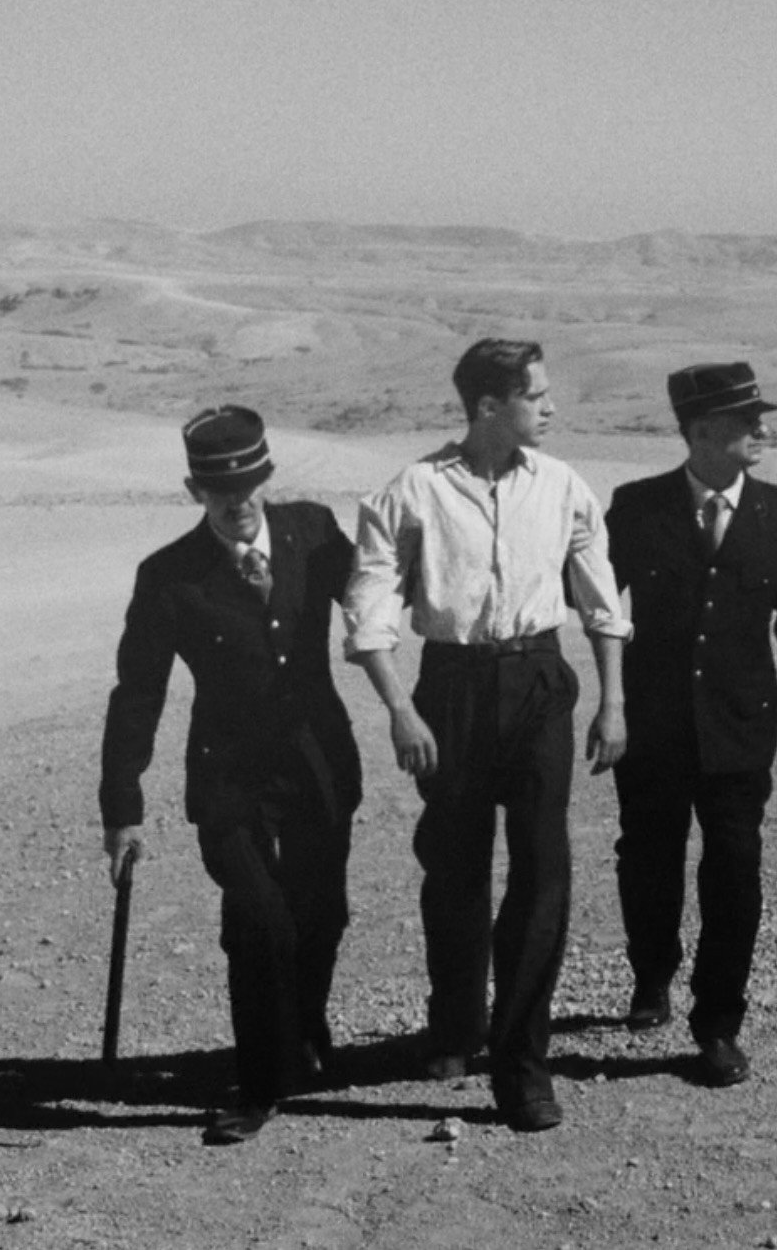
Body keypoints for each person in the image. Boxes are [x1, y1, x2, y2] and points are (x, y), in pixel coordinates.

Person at [345, 339, 630, 1133]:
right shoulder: (413, 490)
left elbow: (601, 601)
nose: (551, 407)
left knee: (543, 869)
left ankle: (522, 1066)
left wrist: (612, 702)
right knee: (455, 865)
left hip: (539, 680)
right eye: (536, 395)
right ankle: (454, 1025)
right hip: (451, 689)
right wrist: (400, 709)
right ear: (487, 407)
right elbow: (369, 608)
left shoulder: (564, 485)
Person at [100, 406, 362, 1146]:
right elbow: (138, 692)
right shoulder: (168, 576)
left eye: (249, 484)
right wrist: (122, 806)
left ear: (267, 477)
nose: (238, 500)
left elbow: (374, 596)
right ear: (195, 491)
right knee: (260, 923)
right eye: (220, 489)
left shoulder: (314, 532)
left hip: (316, 764)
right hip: (229, 778)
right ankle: (259, 1084)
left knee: (321, 914)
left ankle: (305, 1025)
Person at [605, 361, 777, 1088]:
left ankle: (719, 1023)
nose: (762, 430)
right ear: (702, 432)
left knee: (734, 870)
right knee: (648, 859)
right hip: (654, 725)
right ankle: (652, 974)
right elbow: (598, 603)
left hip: (741, 726)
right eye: (746, 421)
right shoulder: (636, 508)